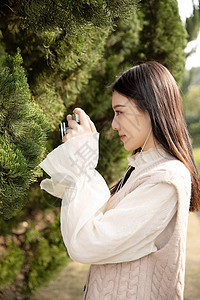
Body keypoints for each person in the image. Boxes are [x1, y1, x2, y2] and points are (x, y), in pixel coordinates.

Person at [39, 61, 200, 300]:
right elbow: (97, 217)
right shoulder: (142, 168)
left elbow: (86, 243)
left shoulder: (167, 178)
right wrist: (79, 159)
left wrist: (82, 164)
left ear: (150, 109)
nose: (114, 125)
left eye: (120, 111)